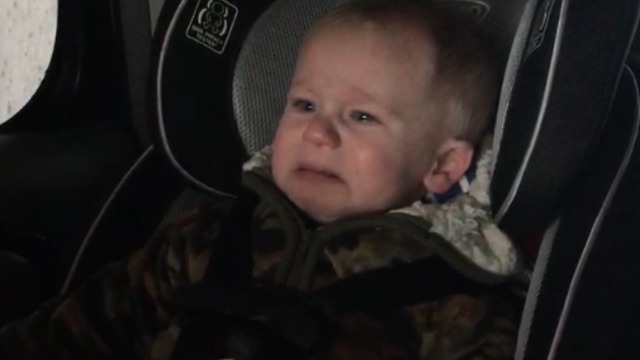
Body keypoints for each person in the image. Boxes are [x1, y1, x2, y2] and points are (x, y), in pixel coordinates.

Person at [0, 0, 523, 358]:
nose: (318, 132)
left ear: (442, 167)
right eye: (305, 104)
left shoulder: (452, 296)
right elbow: (93, 323)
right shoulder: (206, 236)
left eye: (361, 117)